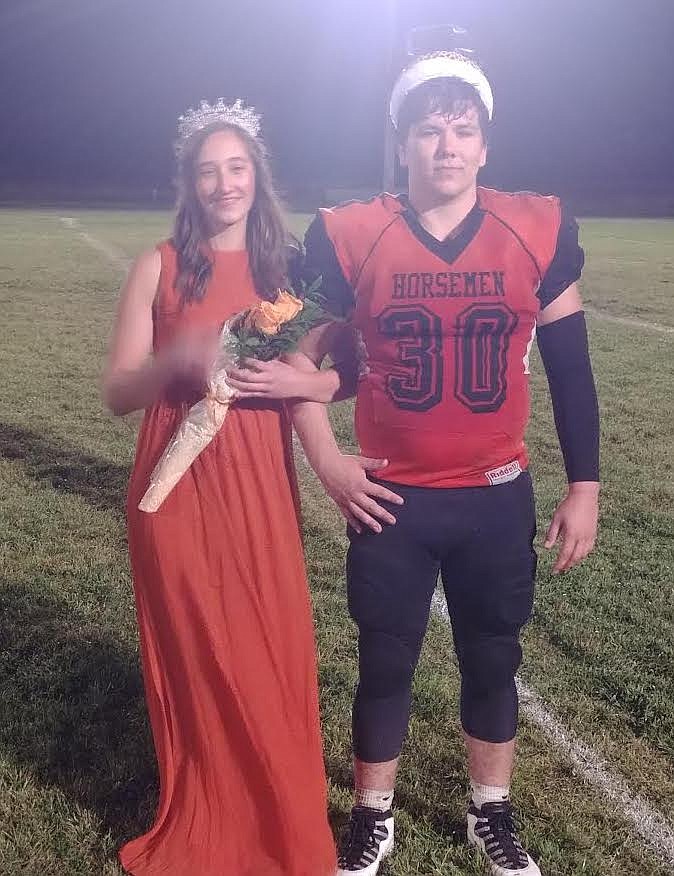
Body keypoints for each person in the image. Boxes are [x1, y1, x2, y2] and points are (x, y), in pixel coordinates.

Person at [288, 52, 600, 876]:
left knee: (494, 655)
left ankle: (489, 810)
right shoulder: (352, 233)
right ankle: (372, 814)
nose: (448, 147)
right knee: (386, 656)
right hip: (391, 497)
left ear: (486, 145)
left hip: (497, 495)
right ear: (402, 145)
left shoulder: (535, 226)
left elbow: (569, 364)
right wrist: (327, 460)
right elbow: (296, 359)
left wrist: (585, 484)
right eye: (430, 131)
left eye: (463, 131)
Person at [103, 99, 341, 876]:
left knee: (271, 650)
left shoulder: (292, 268)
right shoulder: (159, 265)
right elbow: (117, 391)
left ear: (256, 175)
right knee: (202, 656)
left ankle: (279, 823)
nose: (224, 183)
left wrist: (319, 407)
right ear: (190, 183)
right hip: (173, 489)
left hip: (258, 487)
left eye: (236, 167)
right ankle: (209, 816)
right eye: (208, 171)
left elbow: (318, 378)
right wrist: (181, 361)